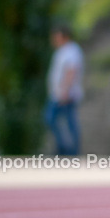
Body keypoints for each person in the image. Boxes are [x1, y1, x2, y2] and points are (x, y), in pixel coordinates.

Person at [45, 24, 84, 156]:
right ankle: (66, 150)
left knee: (56, 120)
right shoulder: (62, 51)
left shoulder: (71, 51)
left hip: (65, 96)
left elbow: (71, 71)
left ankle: (70, 152)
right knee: (64, 122)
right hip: (59, 94)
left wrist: (65, 91)